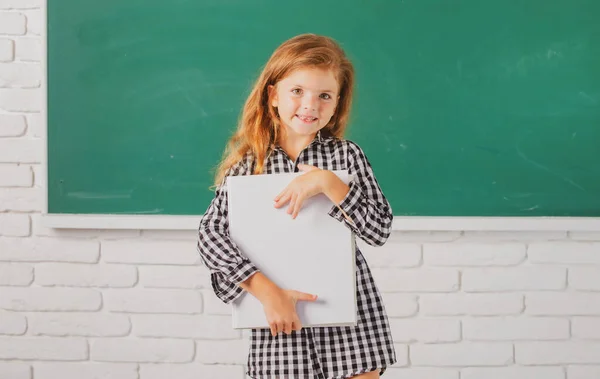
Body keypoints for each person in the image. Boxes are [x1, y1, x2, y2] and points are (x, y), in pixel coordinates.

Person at [197, 33, 396, 379]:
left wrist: (329, 184)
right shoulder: (247, 164)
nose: (310, 105)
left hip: (350, 321)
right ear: (273, 95)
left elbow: (379, 230)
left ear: (337, 103)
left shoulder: (346, 156)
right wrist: (264, 289)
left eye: (324, 96)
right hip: (280, 321)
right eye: (297, 91)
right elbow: (210, 236)